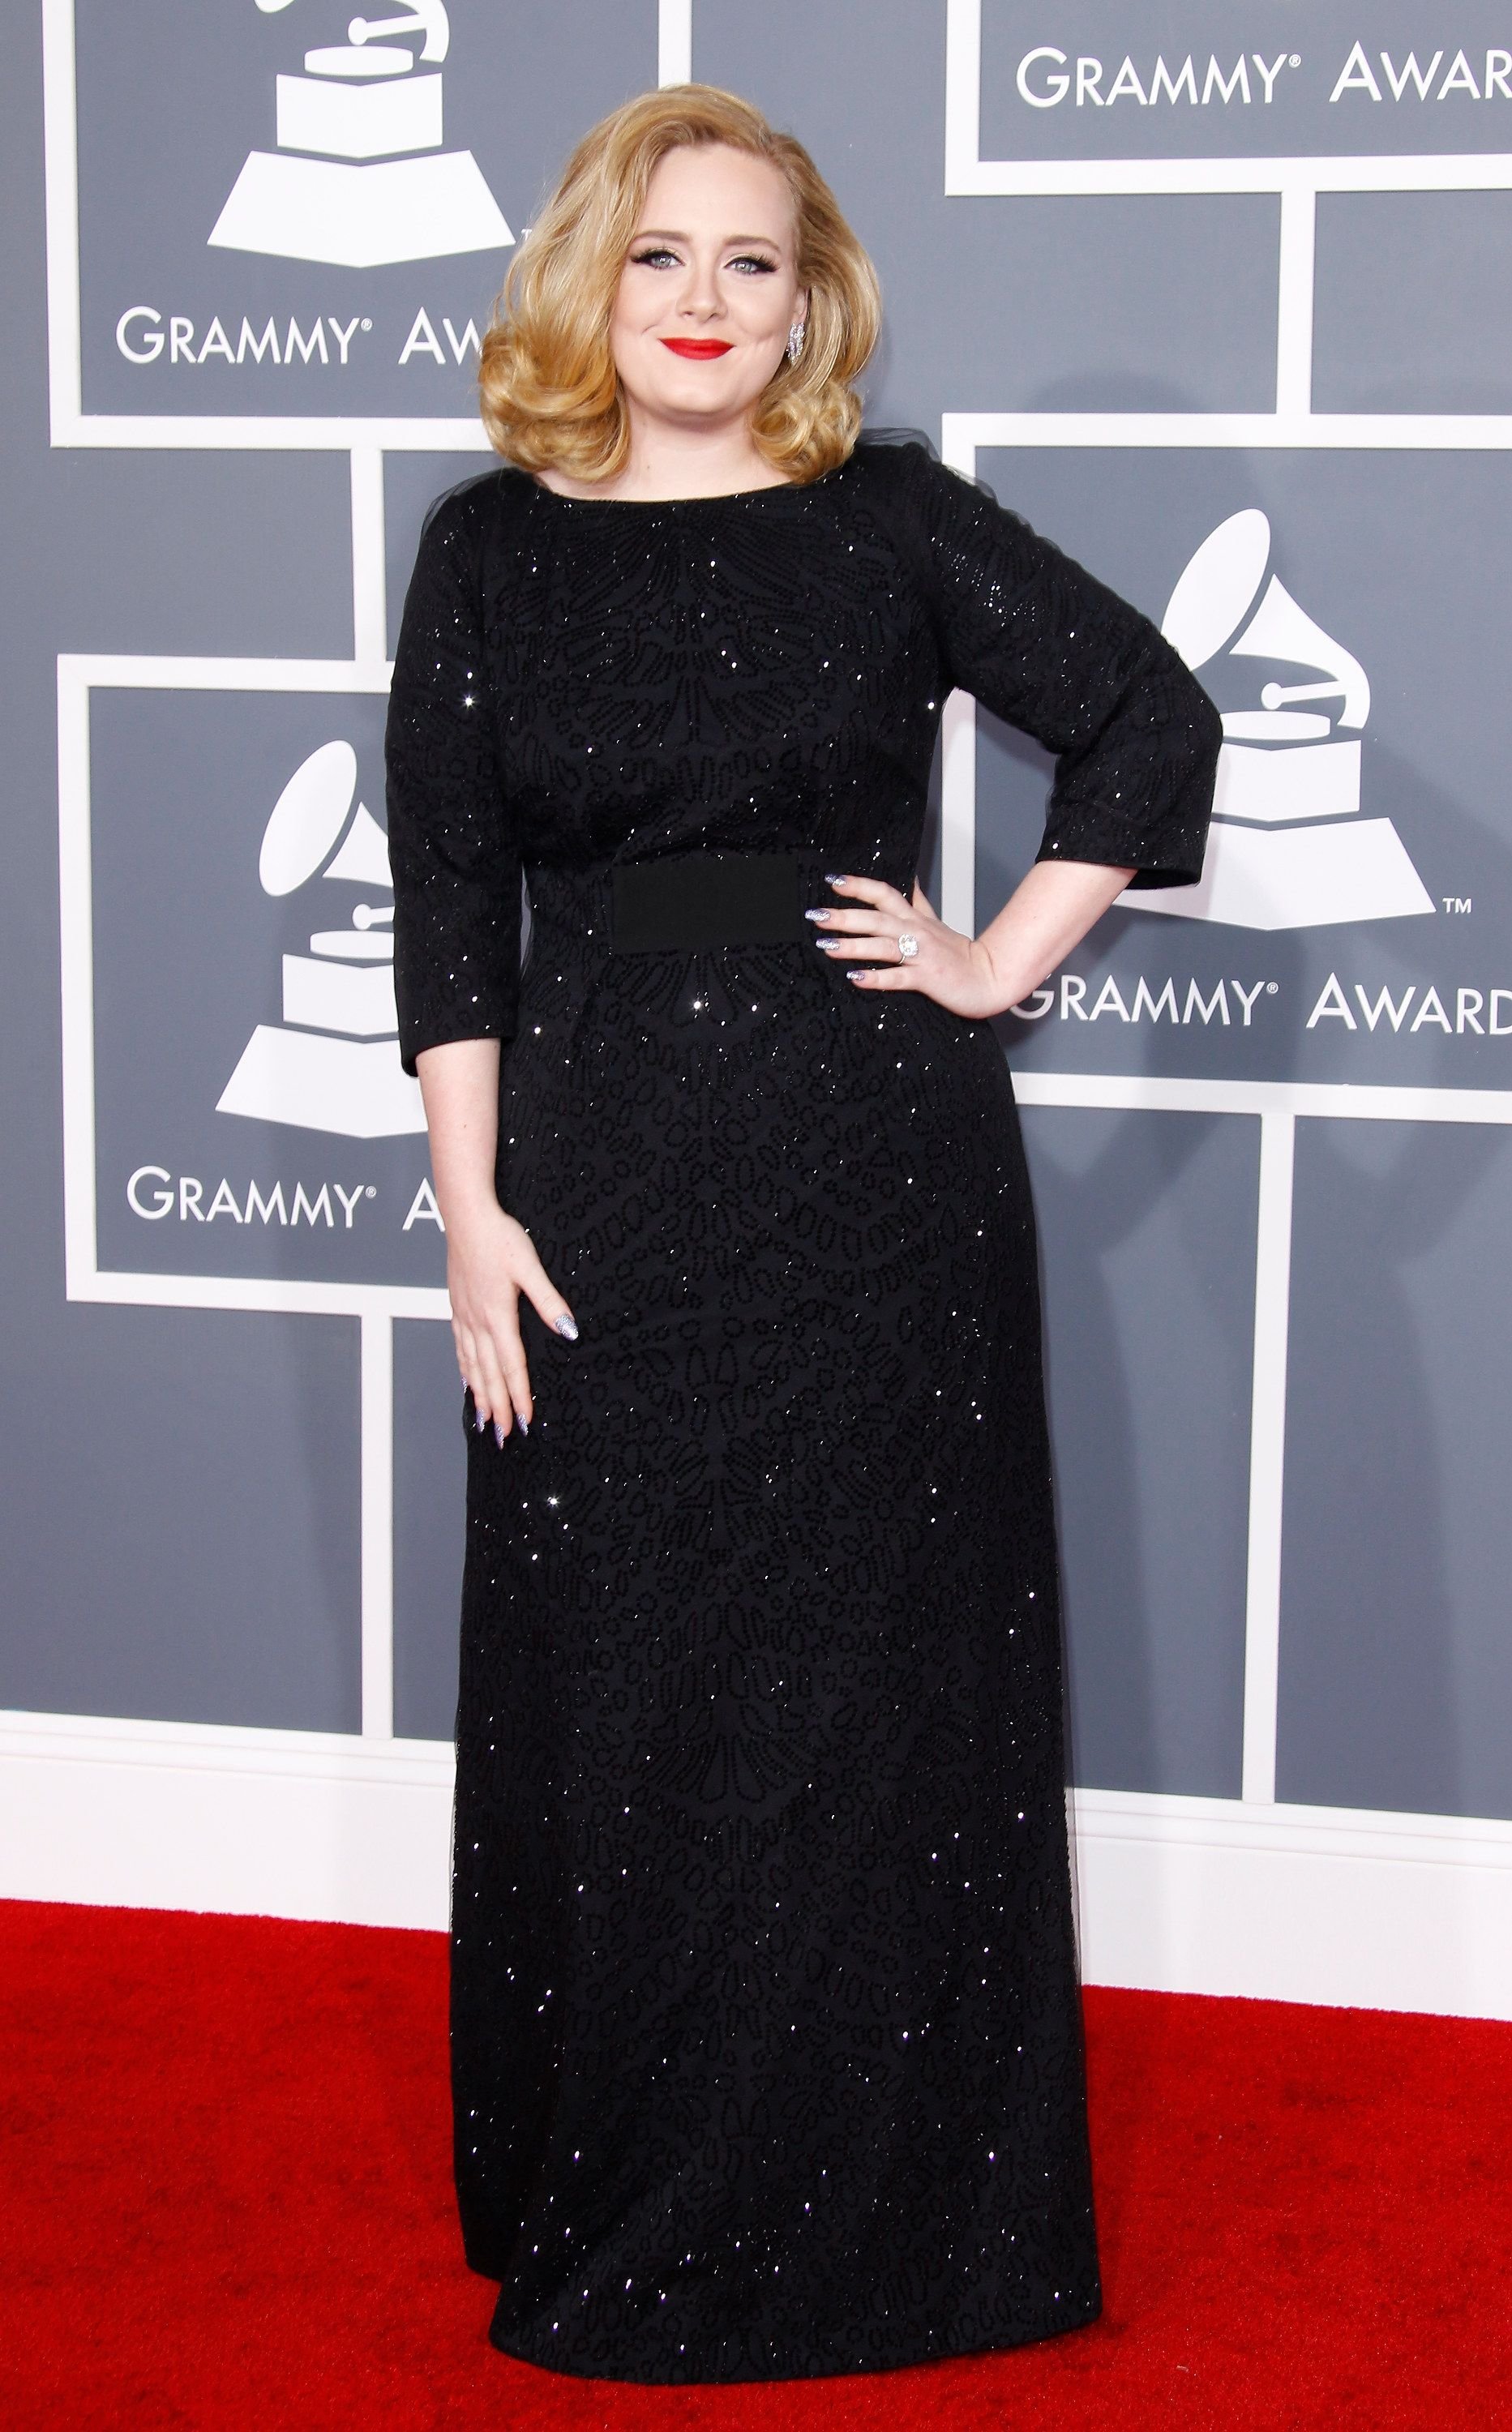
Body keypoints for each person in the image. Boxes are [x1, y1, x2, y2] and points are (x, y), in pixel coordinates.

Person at [386, 83, 1219, 2385]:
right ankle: (624, 2177)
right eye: (661, 255)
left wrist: (997, 960)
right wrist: (467, 1211)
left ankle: (895, 2239)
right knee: (629, 1688)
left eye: (751, 262)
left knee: (868, 1697)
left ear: (807, 298)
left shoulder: (885, 526)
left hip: (875, 1190)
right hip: (595, 1182)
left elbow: (1146, 717)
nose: (702, 303)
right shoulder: (486, 548)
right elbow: (453, 902)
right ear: (588, 277)